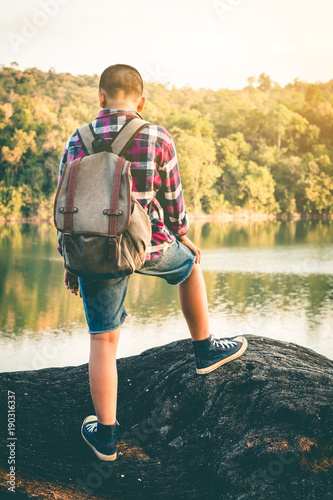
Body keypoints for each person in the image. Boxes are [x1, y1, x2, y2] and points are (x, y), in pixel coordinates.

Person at [57, 64, 247, 462]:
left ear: (100, 97)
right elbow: (173, 201)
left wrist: (71, 261)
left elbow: (66, 207)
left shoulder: (77, 139)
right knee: (191, 266)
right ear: (141, 100)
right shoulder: (156, 135)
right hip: (149, 246)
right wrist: (182, 234)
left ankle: (106, 437)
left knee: (103, 340)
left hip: (94, 251)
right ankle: (204, 351)